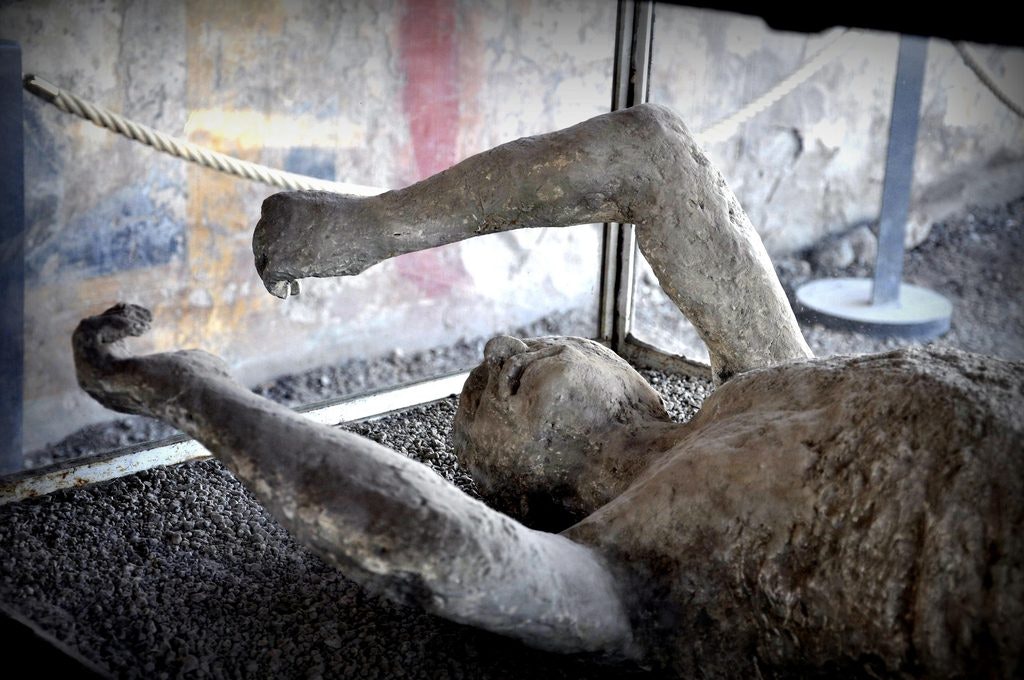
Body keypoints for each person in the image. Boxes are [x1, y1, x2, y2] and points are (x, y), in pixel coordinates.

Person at [74, 105, 1023, 678]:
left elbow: (652, 153)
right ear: (528, 498)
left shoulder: (765, 375)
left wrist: (376, 228)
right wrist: (194, 391)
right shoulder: (634, 572)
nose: (493, 352)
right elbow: (428, 541)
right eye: (483, 404)